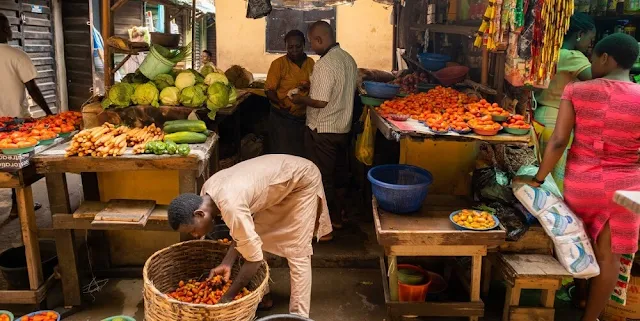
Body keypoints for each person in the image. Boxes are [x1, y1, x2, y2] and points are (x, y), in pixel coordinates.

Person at [514, 33, 640, 321]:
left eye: (594, 57)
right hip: (626, 186)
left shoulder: (578, 90)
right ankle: (589, 316)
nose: (592, 62)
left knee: (579, 241)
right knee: (611, 257)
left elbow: (558, 141)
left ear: (606, 58)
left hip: (583, 180)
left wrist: (538, 178)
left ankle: (580, 294)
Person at [167, 154, 333, 318]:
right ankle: (264, 298)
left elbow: (254, 259)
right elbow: (242, 233)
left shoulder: (230, 204)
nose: (195, 235)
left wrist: (227, 298)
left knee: (297, 251)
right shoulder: (207, 193)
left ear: (200, 214)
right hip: (279, 183)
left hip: (302, 180)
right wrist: (227, 262)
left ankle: (299, 316)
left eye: (192, 230)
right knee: (256, 238)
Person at [292, 21, 357, 229]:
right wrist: (312, 85)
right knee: (339, 176)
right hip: (342, 128)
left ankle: (327, 223)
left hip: (322, 130)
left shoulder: (324, 64)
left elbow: (321, 102)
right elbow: (339, 89)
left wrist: (299, 99)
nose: (311, 47)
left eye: (312, 42)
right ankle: (341, 214)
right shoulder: (348, 59)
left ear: (319, 40)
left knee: (322, 177)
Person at [533, 13, 595, 193]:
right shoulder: (573, 56)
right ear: (580, 34)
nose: (590, 43)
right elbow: (598, 81)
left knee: (542, 169)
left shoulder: (551, 53)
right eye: (590, 38)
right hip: (558, 119)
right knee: (552, 180)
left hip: (541, 116)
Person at [0, 13, 52, 218]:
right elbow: (33, 89)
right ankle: (16, 205)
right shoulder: (17, 55)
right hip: (15, 120)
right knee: (16, 163)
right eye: (8, 26)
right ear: (5, 30)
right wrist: (48, 113)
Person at [265, 29, 315, 157]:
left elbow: (315, 84)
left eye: (298, 46)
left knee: (300, 154)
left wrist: (307, 85)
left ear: (304, 45)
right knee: (282, 153)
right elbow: (269, 90)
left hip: (303, 117)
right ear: (286, 47)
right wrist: (280, 102)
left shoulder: (310, 63)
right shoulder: (278, 64)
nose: (294, 50)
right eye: (290, 47)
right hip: (282, 116)